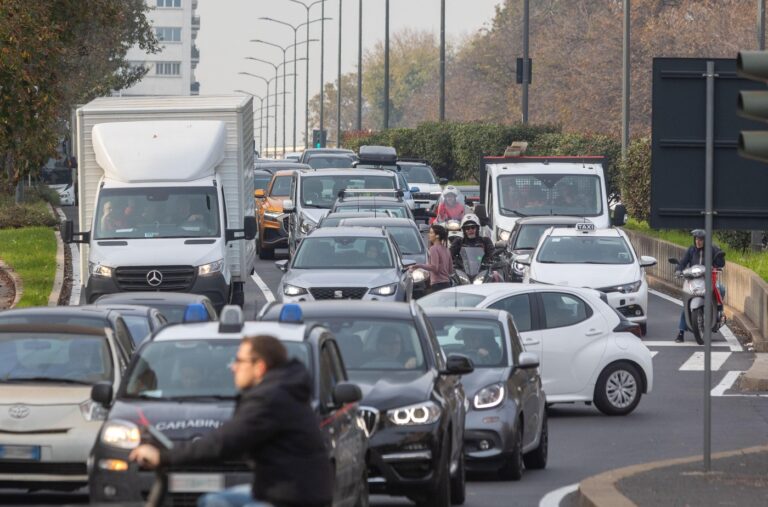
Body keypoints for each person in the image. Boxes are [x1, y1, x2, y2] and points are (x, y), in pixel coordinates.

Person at [128, 335, 333, 507]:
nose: (233, 367)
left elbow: (225, 442)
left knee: (215, 503)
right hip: (286, 490)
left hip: (294, 498)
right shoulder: (280, 390)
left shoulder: (270, 399)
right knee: (214, 501)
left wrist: (163, 456)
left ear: (259, 367)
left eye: (239, 361)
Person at [674, 229, 726, 343]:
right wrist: (678, 270)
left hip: (708, 279)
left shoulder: (712, 249)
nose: (698, 242)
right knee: (686, 304)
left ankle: (719, 313)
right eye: (697, 239)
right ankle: (681, 332)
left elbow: (720, 262)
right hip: (693, 280)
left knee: (721, 288)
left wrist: (720, 258)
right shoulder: (691, 250)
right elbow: (683, 262)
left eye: (701, 239)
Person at [410, 224, 453, 293]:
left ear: (437, 236)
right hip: (447, 284)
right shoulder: (446, 249)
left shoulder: (433, 249)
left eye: (431, 232)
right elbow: (450, 270)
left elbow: (434, 268)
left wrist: (419, 266)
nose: (429, 235)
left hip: (437, 285)